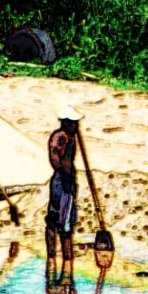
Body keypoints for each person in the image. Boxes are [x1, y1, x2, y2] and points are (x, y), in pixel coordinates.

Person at [47, 106, 81, 274]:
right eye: (74, 123)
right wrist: (68, 176)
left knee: (55, 219)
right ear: (67, 123)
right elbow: (55, 159)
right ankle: (67, 263)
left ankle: (53, 259)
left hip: (60, 180)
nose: (77, 127)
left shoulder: (66, 137)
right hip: (63, 181)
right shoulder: (62, 137)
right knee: (63, 222)